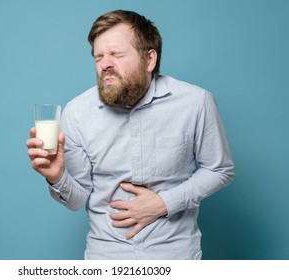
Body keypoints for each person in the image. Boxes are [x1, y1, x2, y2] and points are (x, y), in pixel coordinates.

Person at [26, 10, 235, 259]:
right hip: (105, 258)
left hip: (176, 258)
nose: (105, 64)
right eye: (99, 56)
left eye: (116, 54)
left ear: (149, 60)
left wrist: (164, 203)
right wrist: (57, 176)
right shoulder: (77, 112)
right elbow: (76, 199)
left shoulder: (195, 103)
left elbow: (220, 169)